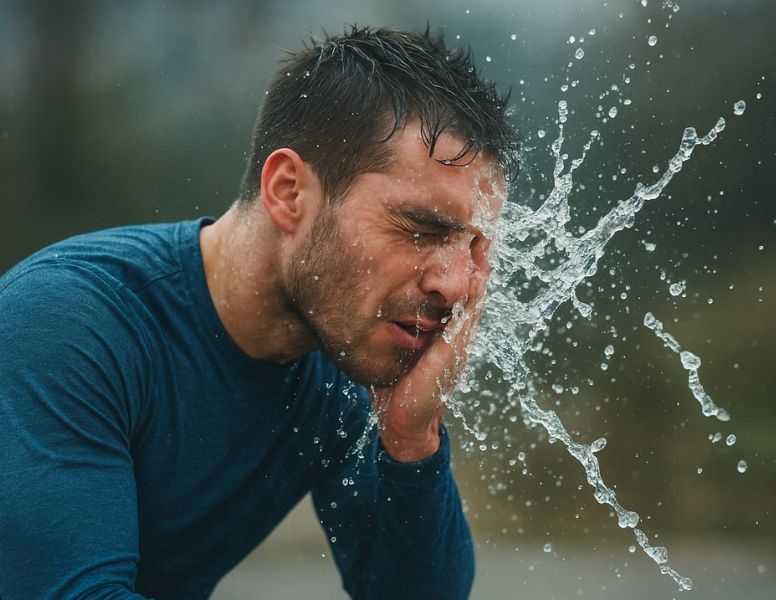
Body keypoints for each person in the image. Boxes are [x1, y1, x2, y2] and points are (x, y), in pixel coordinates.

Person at [0, 26, 517, 599]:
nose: (453, 284)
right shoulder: (66, 322)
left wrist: (412, 440)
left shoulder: (342, 364)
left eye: (471, 247)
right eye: (419, 230)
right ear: (289, 191)